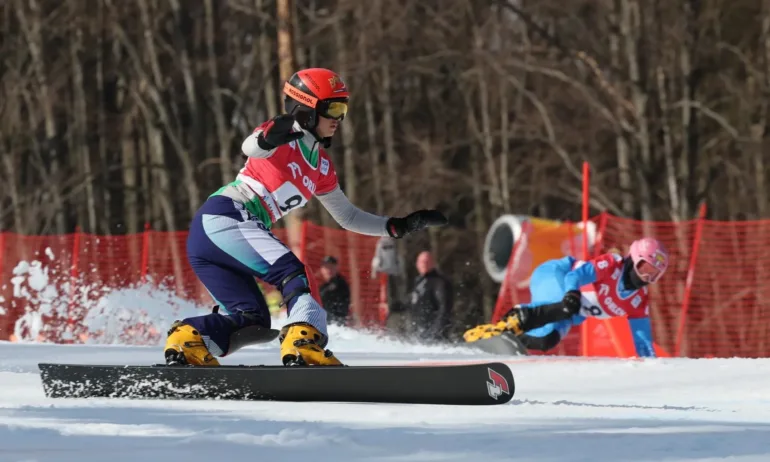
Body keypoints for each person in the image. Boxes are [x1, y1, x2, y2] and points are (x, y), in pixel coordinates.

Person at [163, 68, 447, 367]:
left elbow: (348, 216)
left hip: (217, 235)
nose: (339, 119)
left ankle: (191, 340)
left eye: (343, 110)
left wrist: (398, 226)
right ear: (308, 110)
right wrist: (272, 136)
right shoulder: (284, 136)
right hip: (227, 217)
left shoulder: (321, 166)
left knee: (253, 321)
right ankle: (303, 342)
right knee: (294, 272)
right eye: (333, 109)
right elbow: (252, 147)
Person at [464, 238, 669, 357]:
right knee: (565, 307)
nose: (646, 277)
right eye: (645, 268)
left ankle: (501, 340)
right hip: (556, 273)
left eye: (654, 274)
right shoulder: (612, 265)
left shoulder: (638, 301)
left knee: (546, 340)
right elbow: (575, 276)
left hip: (571, 310)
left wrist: (654, 371)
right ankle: (507, 324)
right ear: (633, 258)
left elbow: (643, 343)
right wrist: (571, 292)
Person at [406, 251, 453, 342]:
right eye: (422, 262)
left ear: (433, 263)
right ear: (417, 264)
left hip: (434, 332)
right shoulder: (418, 281)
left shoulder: (439, 282)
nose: (424, 264)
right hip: (419, 329)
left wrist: (436, 330)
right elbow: (414, 302)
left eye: (427, 262)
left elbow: (445, 307)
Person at [318, 256, 351, 325]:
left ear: (336, 268)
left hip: (336, 323)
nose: (329, 270)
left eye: (331, 267)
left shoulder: (340, 283)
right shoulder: (324, 286)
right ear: (321, 269)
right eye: (326, 267)